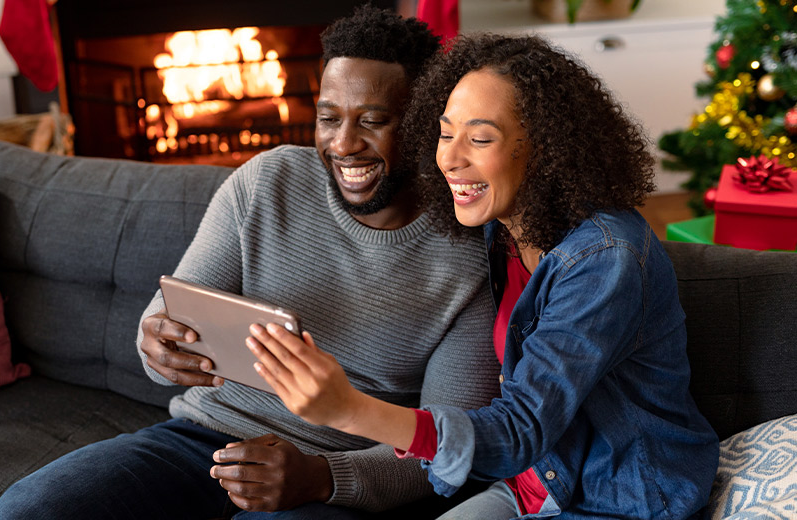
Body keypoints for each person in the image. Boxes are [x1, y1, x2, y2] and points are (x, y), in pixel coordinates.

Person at [0, 6, 501, 520]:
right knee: (27, 510)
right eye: (328, 118)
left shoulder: (469, 255)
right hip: (202, 440)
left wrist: (324, 478)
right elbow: (173, 310)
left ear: (426, 123)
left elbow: (446, 447)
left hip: (332, 475)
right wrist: (156, 343)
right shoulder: (266, 182)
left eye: (372, 121)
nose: (342, 144)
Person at [245, 33, 720, 519]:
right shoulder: (502, 227)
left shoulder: (604, 259)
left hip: (625, 498)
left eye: (480, 138)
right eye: (446, 132)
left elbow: (519, 430)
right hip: (533, 482)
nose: (450, 158)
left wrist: (351, 409)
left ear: (544, 148)